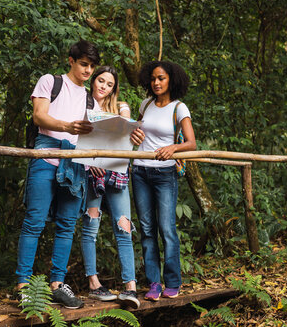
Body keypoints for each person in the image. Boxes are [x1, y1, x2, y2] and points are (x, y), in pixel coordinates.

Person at [16, 40, 100, 309]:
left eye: (92, 66)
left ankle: (57, 285)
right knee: (34, 221)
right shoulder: (50, 82)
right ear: (71, 61)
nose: (88, 70)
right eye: (84, 64)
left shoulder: (91, 99)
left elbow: (98, 134)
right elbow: (39, 117)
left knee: (67, 225)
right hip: (46, 155)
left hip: (76, 162)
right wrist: (67, 126)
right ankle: (23, 285)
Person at [132, 61, 196, 301]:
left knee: (167, 229)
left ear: (171, 80)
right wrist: (134, 134)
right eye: (153, 79)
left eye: (161, 78)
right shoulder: (145, 104)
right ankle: (153, 283)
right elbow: (136, 133)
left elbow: (191, 143)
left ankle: (173, 282)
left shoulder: (179, 108)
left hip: (164, 174)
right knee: (147, 229)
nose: (156, 83)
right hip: (139, 171)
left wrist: (173, 147)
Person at [81, 66, 143, 308]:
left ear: (113, 89)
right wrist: (89, 163)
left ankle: (131, 288)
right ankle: (94, 284)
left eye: (109, 84)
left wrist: (133, 129)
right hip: (92, 173)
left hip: (116, 172)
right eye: (100, 81)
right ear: (93, 81)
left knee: (124, 226)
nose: (103, 86)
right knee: (90, 226)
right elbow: (77, 141)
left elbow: (129, 132)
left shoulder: (120, 108)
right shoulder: (82, 104)